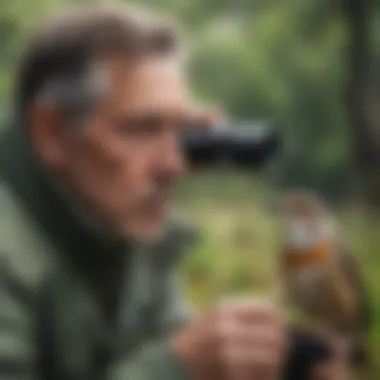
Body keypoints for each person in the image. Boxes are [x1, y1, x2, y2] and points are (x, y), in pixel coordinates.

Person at [0, 4, 349, 380]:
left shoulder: (110, 223)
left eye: (181, 131)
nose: (175, 165)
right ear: (51, 133)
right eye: (141, 128)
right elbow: (167, 366)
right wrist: (175, 369)